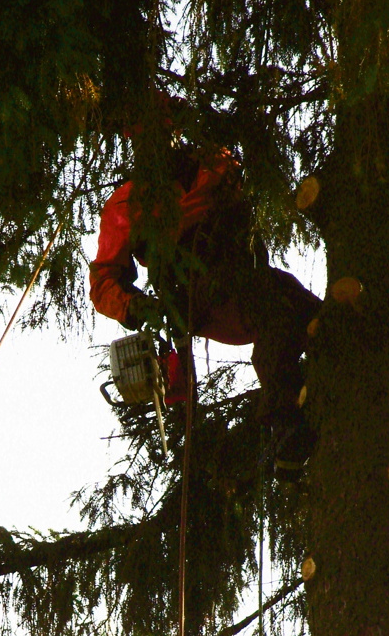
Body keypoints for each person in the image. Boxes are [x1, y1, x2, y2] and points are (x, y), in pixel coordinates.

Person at [89, 137, 321, 479]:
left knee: (303, 307)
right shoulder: (125, 203)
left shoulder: (215, 161)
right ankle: (285, 421)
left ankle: (324, 381)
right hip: (196, 293)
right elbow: (104, 281)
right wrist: (138, 307)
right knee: (273, 307)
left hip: (248, 270)